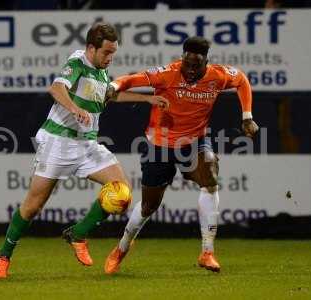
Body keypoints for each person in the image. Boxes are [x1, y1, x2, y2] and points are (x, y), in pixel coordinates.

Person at [0, 22, 168, 279]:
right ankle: (3, 256)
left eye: (113, 53)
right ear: (91, 48)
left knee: (121, 193)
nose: (110, 58)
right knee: (32, 206)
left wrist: (146, 98)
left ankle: (79, 233)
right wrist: (74, 109)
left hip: (87, 144)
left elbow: (110, 96)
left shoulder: (101, 72)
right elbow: (56, 88)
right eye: (106, 52)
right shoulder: (78, 62)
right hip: (59, 142)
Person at [104, 36, 259, 274]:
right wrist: (114, 86)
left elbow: (242, 81)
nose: (190, 70)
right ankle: (121, 248)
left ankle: (207, 252)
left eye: (196, 65)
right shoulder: (167, 73)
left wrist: (247, 115)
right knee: (148, 206)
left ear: (206, 61)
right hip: (159, 145)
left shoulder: (218, 76)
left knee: (210, 176)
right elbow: (130, 79)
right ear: (182, 58)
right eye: (187, 63)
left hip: (194, 142)